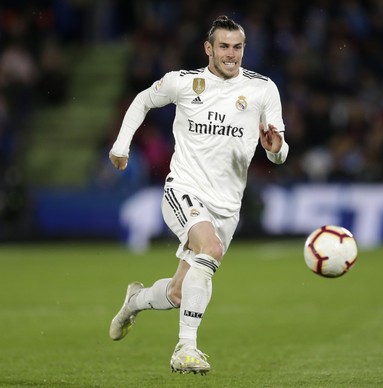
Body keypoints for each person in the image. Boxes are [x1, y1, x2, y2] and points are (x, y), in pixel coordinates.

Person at [108, 15, 289, 375]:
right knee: (211, 249)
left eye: (237, 47)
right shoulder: (183, 83)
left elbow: (279, 151)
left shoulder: (263, 88)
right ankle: (185, 350)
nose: (231, 54)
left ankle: (135, 301)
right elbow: (143, 100)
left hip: (227, 207)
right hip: (184, 189)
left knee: (179, 292)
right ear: (209, 48)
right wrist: (121, 145)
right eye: (223, 46)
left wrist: (275, 148)